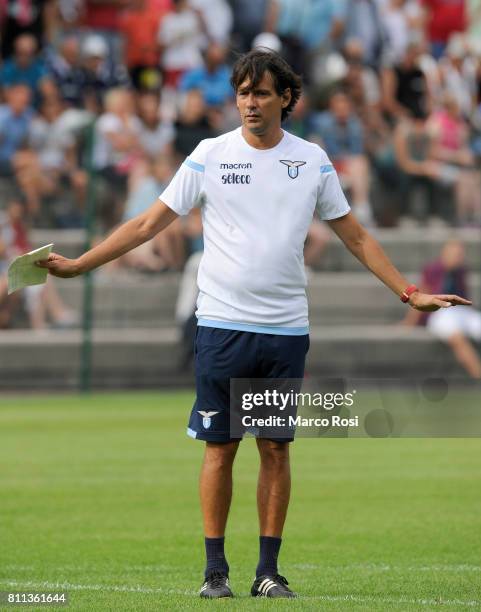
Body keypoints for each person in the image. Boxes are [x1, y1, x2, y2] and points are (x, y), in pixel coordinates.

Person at [37, 49, 470, 599]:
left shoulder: (311, 160)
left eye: (261, 92)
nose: (250, 102)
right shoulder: (209, 155)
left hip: (285, 330)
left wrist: (409, 293)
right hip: (221, 326)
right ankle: (214, 572)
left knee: (275, 449)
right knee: (220, 448)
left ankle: (268, 572)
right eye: (243, 92)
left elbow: (355, 235)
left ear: (285, 99)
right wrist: (80, 264)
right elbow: (149, 223)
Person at [401, 239, 481, 378]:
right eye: (455, 254)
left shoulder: (461, 270)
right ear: (445, 254)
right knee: (457, 337)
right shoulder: (433, 269)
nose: (458, 258)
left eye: (460, 254)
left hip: (461, 311)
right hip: (439, 313)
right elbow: (420, 297)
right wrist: (410, 322)